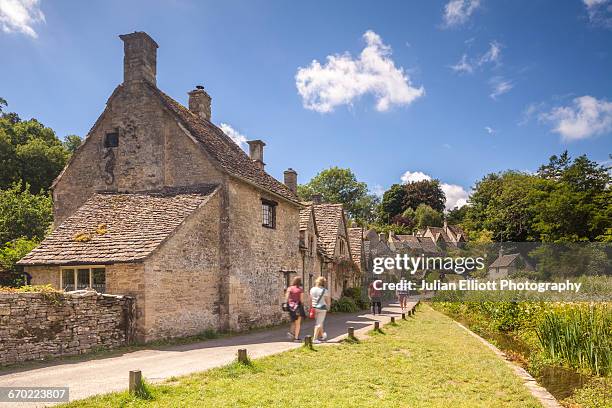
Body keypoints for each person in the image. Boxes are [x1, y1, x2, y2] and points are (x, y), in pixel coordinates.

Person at [310, 276, 330, 343]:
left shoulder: (312, 289)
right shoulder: (325, 290)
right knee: (318, 323)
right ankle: (314, 339)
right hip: (322, 308)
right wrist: (328, 307)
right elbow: (327, 300)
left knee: (319, 322)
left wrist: (311, 306)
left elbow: (311, 299)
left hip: (314, 307)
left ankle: (322, 336)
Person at [285, 276, 305, 341]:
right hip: (297, 307)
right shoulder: (300, 289)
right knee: (298, 323)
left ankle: (291, 333)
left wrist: (289, 303)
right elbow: (302, 300)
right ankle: (296, 337)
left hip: (291, 307)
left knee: (293, 321)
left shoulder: (289, 288)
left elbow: (287, 298)